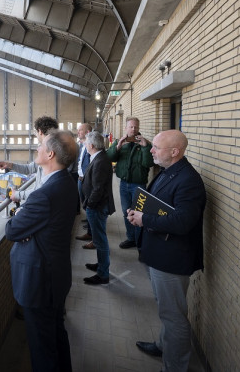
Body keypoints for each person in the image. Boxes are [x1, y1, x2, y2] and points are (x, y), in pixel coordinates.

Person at [126, 129, 206, 372]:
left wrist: (144, 220)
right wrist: (138, 213)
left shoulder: (189, 181)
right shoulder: (168, 172)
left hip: (172, 258)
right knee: (166, 308)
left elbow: (183, 222)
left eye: (156, 147)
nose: (151, 149)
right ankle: (163, 345)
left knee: (174, 317)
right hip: (159, 253)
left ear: (175, 151)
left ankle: (174, 367)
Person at [5, 129, 79, 372]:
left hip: (40, 282)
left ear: (50, 154)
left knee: (42, 348)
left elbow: (12, 230)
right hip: (56, 275)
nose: (36, 149)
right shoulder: (67, 183)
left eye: (41, 146)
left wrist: (17, 210)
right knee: (56, 335)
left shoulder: (44, 195)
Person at [107, 117, 153, 249]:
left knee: (138, 213)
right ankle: (131, 238)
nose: (134, 129)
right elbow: (109, 158)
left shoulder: (145, 144)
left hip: (139, 185)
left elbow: (148, 163)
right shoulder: (119, 142)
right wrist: (118, 146)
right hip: (123, 184)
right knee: (126, 213)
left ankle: (139, 241)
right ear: (126, 128)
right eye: (131, 127)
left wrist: (145, 148)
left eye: (136, 127)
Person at [0, 116, 59, 202]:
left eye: (35, 132)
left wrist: (17, 194)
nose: (37, 150)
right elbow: (29, 168)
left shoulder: (49, 154)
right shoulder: (54, 149)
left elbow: (41, 191)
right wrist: (9, 165)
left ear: (39, 131)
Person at [80, 130, 115, 285]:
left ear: (92, 145)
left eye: (86, 143)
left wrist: (89, 205)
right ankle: (101, 265)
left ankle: (103, 274)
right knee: (99, 238)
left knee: (100, 241)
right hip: (97, 206)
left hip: (97, 207)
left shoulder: (100, 161)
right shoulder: (99, 157)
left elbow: (98, 189)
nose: (85, 145)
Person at [74, 123, 93, 245]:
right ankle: (89, 223)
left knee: (90, 206)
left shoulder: (91, 146)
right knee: (85, 204)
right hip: (80, 179)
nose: (78, 132)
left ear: (87, 132)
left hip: (87, 181)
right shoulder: (82, 145)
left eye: (80, 130)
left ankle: (91, 234)